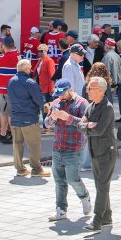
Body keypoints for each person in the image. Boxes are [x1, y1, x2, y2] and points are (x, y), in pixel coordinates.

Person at [45, 79, 92, 221]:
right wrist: (52, 118)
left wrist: (69, 118)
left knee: (72, 178)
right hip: (57, 147)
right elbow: (46, 123)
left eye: (62, 94)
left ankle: (84, 197)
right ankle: (61, 209)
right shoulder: (56, 103)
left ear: (70, 90)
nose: (60, 97)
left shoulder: (82, 103)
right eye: (58, 94)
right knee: (59, 180)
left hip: (74, 147)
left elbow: (86, 124)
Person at [82, 76, 116, 232]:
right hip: (95, 151)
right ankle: (107, 216)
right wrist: (89, 124)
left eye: (91, 88)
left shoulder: (107, 107)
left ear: (101, 91)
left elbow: (99, 129)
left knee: (102, 187)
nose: (87, 90)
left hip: (106, 153)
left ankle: (97, 219)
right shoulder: (90, 106)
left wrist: (88, 126)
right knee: (101, 186)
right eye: (88, 87)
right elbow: (80, 126)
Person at [7, 59, 49, 177]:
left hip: (15, 117)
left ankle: (20, 169)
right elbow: (39, 99)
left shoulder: (11, 81)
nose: (31, 70)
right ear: (26, 69)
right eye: (30, 68)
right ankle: (36, 169)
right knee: (34, 145)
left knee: (17, 144)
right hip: (29, 118)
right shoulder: (30, 82)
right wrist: (45, 107)